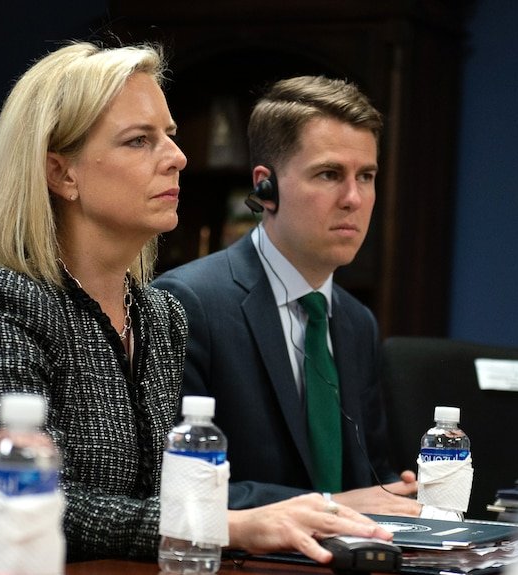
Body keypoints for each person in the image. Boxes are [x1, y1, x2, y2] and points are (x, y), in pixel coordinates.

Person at [0, 42, 390, 566]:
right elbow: (26, 504)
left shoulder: (159, 315)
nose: (177, 158)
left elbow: (164, 496)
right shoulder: (1, 301)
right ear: (61, 173)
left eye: (171, 136)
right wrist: (228, 524)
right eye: (140, 141)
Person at [152, 76, 421, 515]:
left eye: (366, 176)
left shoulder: (356, 322)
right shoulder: (187, 303)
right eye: (330, 174)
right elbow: (176, 488)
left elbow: (370, 476)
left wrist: (399, 494)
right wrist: (330, 505)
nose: (354, 198)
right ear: (266, 188)